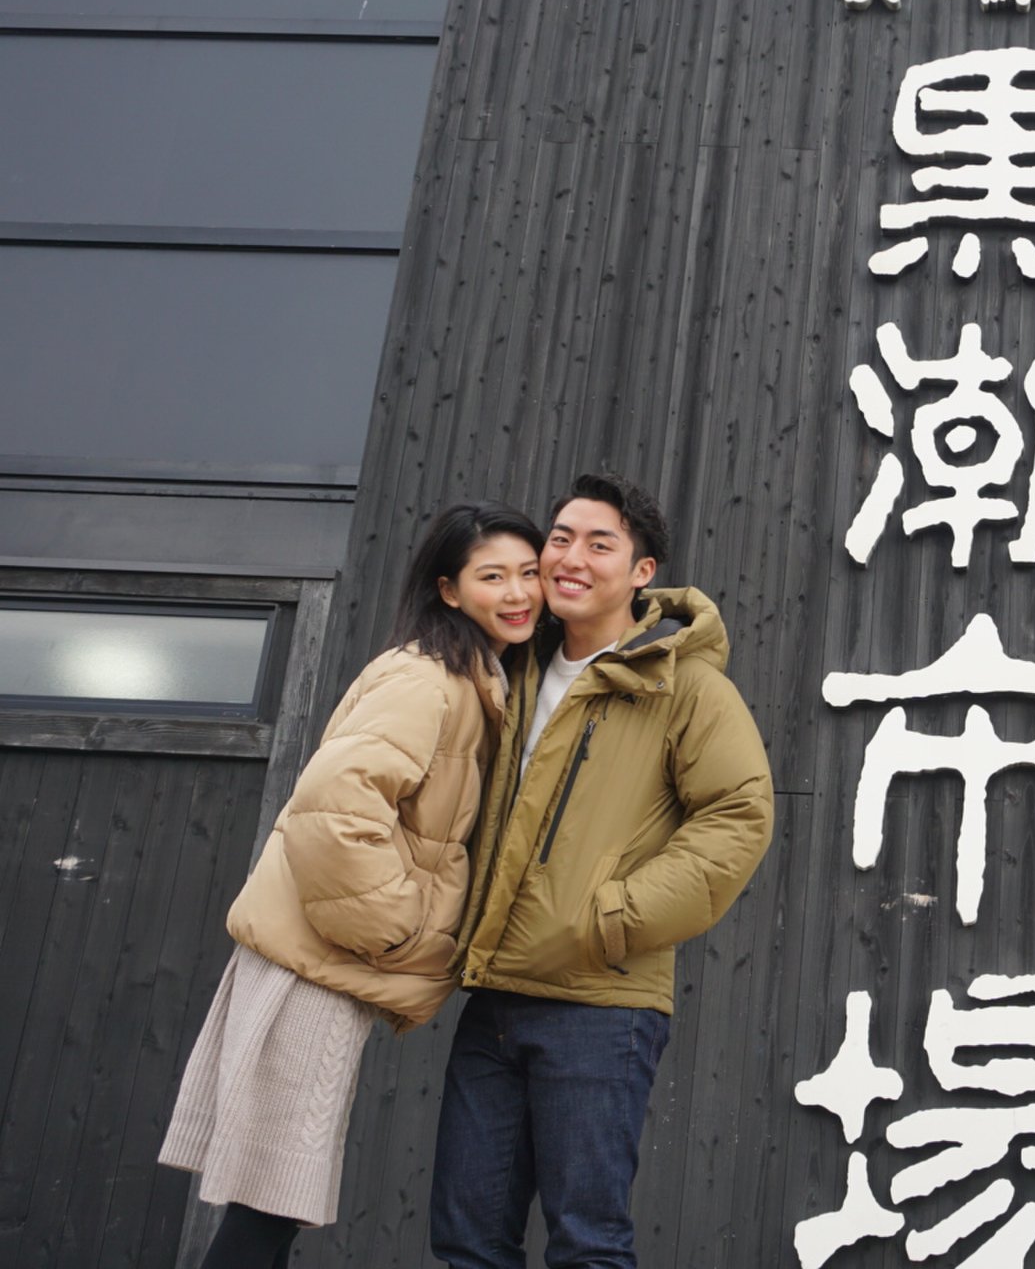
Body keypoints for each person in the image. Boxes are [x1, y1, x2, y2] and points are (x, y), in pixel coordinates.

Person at [160, 502, 546, 1269]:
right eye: (492, 575)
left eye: (529, 573)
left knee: (271, 1192)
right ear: (448, 590)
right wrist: (396, 929)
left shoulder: (473, 682)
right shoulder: (427, 679)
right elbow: (334, 814)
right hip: (318, 959)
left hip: (320, 956)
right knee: (271, 1194)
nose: (518, 592)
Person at [430, 471, 774, 1269]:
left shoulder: (684, 686)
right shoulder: (510, 668)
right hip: (495, 998)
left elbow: (739, 816)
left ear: (642, 572)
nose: (570, 557)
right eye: (559, 538)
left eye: (599, 543)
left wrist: (611, 918)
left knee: (587, 1245)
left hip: (600, 1004)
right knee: (466, 1244)